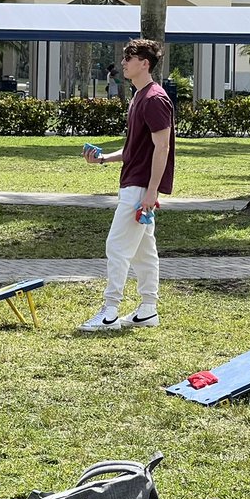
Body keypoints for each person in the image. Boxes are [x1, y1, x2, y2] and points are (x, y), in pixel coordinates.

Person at [78, 38, 175, 331]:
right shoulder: (138, 97)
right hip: (135, 184)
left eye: (128, 58)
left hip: (140, 188)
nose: (123, 63)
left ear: (144, 64)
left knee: (117, 247)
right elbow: (135, 149)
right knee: (144, 252)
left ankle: (109, 312)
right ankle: (148, 310)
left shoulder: (154, 99)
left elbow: (162, 148)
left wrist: (152, 191)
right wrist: (104, 158)